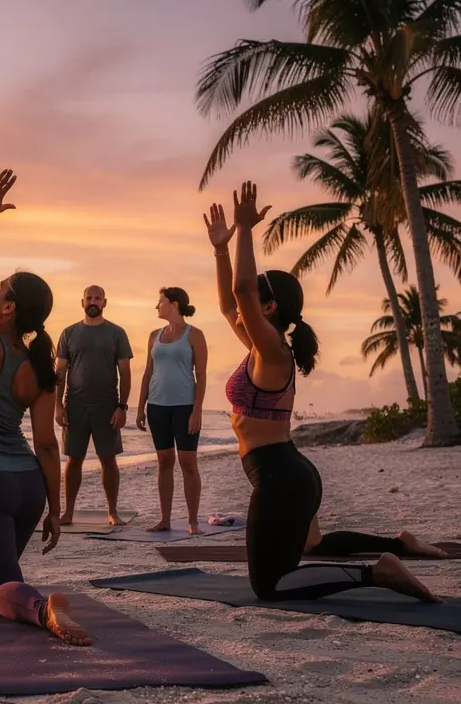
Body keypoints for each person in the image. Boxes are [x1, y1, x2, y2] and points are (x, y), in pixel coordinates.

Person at [204, 182, 445, 605]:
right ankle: (399, 543)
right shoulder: (262, 349)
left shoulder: (273, 352)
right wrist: (221, 250)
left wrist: (244, 230)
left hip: (280, 477)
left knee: (270, 587)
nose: (244, 309)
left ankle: (378, 571)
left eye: (255, 302)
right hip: (290, 470)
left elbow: (241, 293)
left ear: (269, 308)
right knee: (312, 545)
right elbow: (229, 305)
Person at [0, 169, 90, 646]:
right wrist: (55, 508)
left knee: (1, 592)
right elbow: (46, 445)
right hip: (27, 487)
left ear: (8, 308)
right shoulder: (39, 367)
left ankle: (41, 608)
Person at [55, 285, 133, 526]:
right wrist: (58, 405)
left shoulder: (117, 333)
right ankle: (68, 512)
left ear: (104, 302)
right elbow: (60, 372)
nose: (93, 301)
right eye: (89, 297)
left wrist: (122, 407)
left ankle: (112, 512)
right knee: (73, 459)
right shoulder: (69, 333)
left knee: (108, 459)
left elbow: (125, 372)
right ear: (82, 302)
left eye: (98, 298)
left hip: (106, 407)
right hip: (75, 406)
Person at [136, 287, 208, 533]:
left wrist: (197, 410)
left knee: (188, 462)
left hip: (185, 407)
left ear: (174, 304)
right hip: (157, 406)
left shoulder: (195, 335)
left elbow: (202, 375)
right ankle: (165, 520)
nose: (157, 306)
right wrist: (140, 407)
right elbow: (148, 373)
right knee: (164, 461)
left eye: (161, 301)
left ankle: (193, 522)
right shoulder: (154, 335)